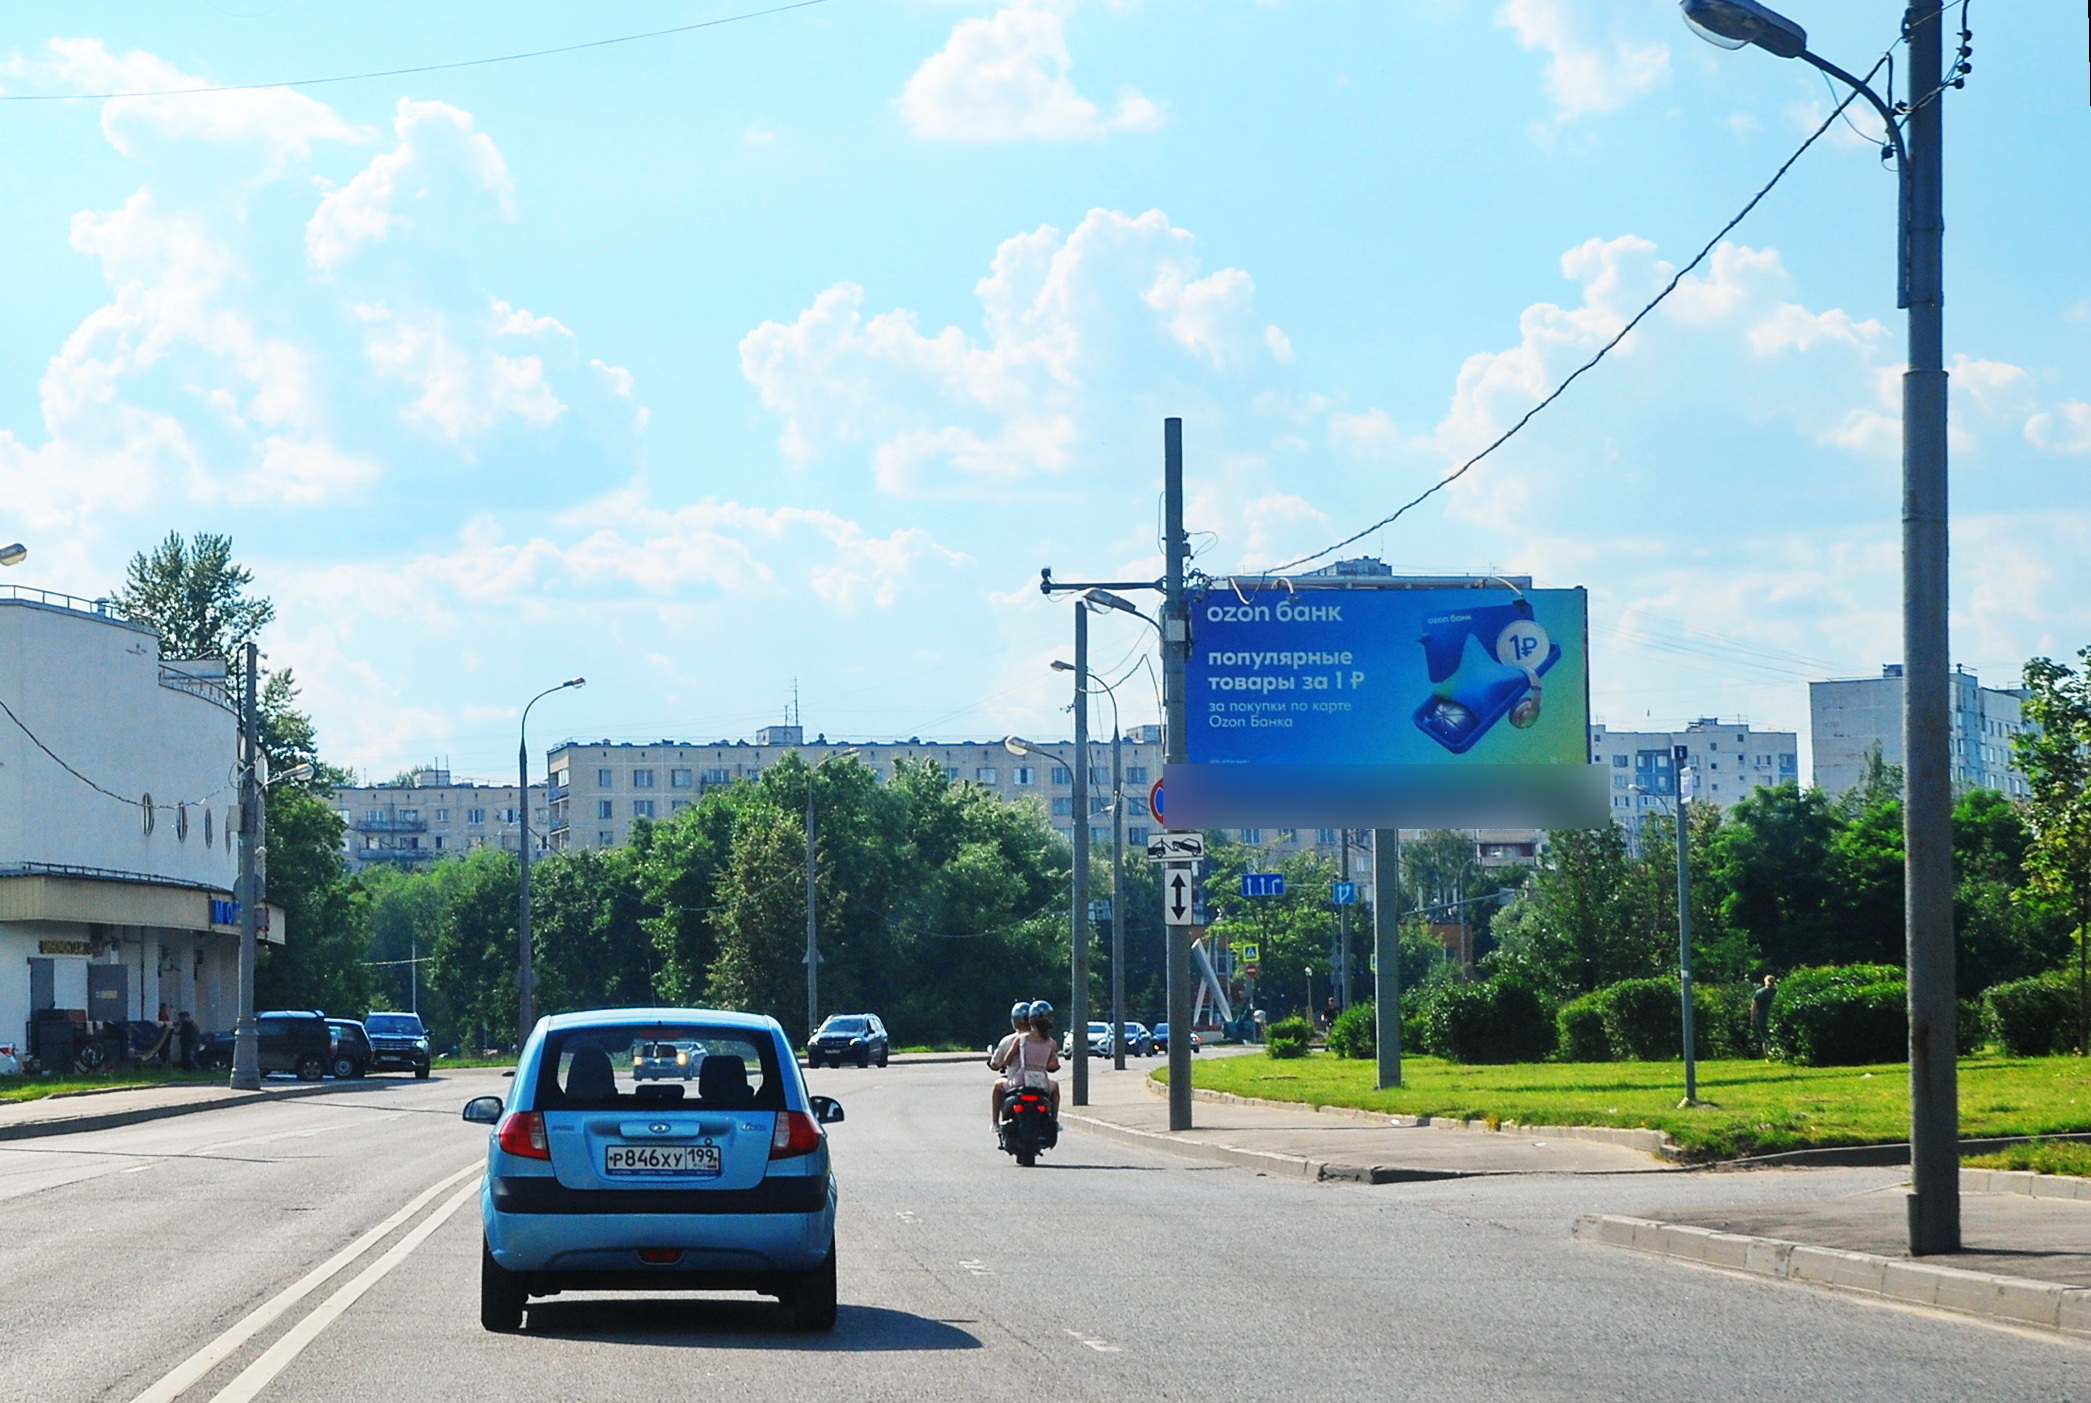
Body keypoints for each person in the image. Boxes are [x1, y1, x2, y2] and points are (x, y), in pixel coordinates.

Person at [1003, 999, 1062, 1127]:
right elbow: (1053, 1065)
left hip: (1022, 1079)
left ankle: (998, 1122)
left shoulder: (1022, 1038)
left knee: (999, 1088)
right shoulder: (1052, 1043)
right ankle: (1054, 1121)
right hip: (1041, 1082)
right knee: (1055, 1088)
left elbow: (1007, 1059)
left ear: (1030, 1020)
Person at [987, 1000, 1032, 1128]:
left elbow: (996, 1063)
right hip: (1037, 1081)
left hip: (1015, 1082)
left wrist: (995, 1063)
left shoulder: (1008, 1040)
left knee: (997, 1086)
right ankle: (1053, 1121)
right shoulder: (1039, 1038)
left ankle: (995, 1123)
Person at [1751, 974, 1778, 1056]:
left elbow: (1754, 1006)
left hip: (1762, 1016)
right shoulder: (1776, 992)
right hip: (1774, 1016)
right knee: (1775, 1035)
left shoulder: (1759, 992)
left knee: (1764, 1036)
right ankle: (1776, 1052)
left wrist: (1752, 1019)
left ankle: (1767, 1054)